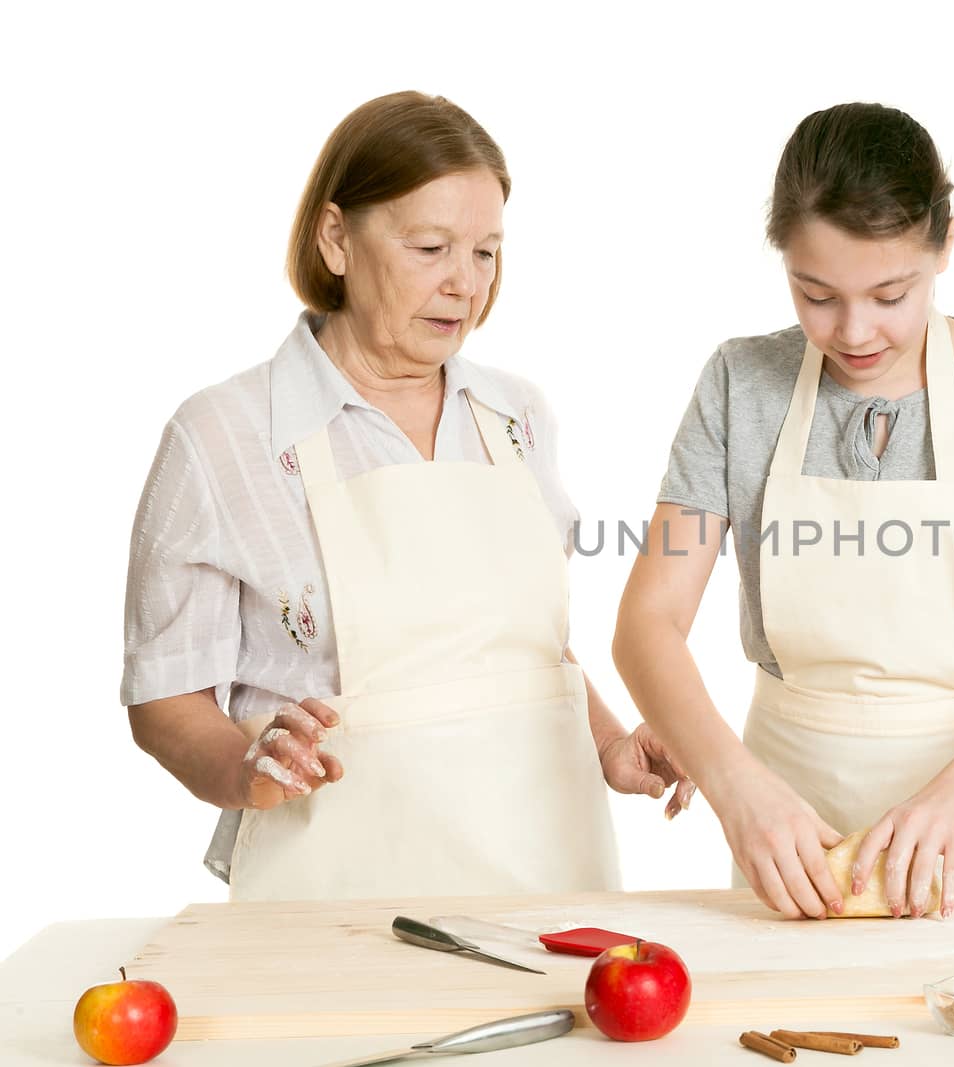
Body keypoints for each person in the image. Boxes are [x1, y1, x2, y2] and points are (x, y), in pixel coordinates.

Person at [122, 91, 690, 901]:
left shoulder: (517, 416)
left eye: (487, 253)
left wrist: (608, 744)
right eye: (431, 248)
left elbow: (530, 645)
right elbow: (163, 697)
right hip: (336, 891)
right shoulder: (223, 437)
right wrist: (245, 768)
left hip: (548, 875)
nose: (465, 284)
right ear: (336, 238)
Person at [614, 102, 954, 920]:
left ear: (947, 246)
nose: (854, 330)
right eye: (815, 293)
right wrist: (735, 788)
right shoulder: (737, 386)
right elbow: (647, 621)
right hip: (789, 837)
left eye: (891, 293)